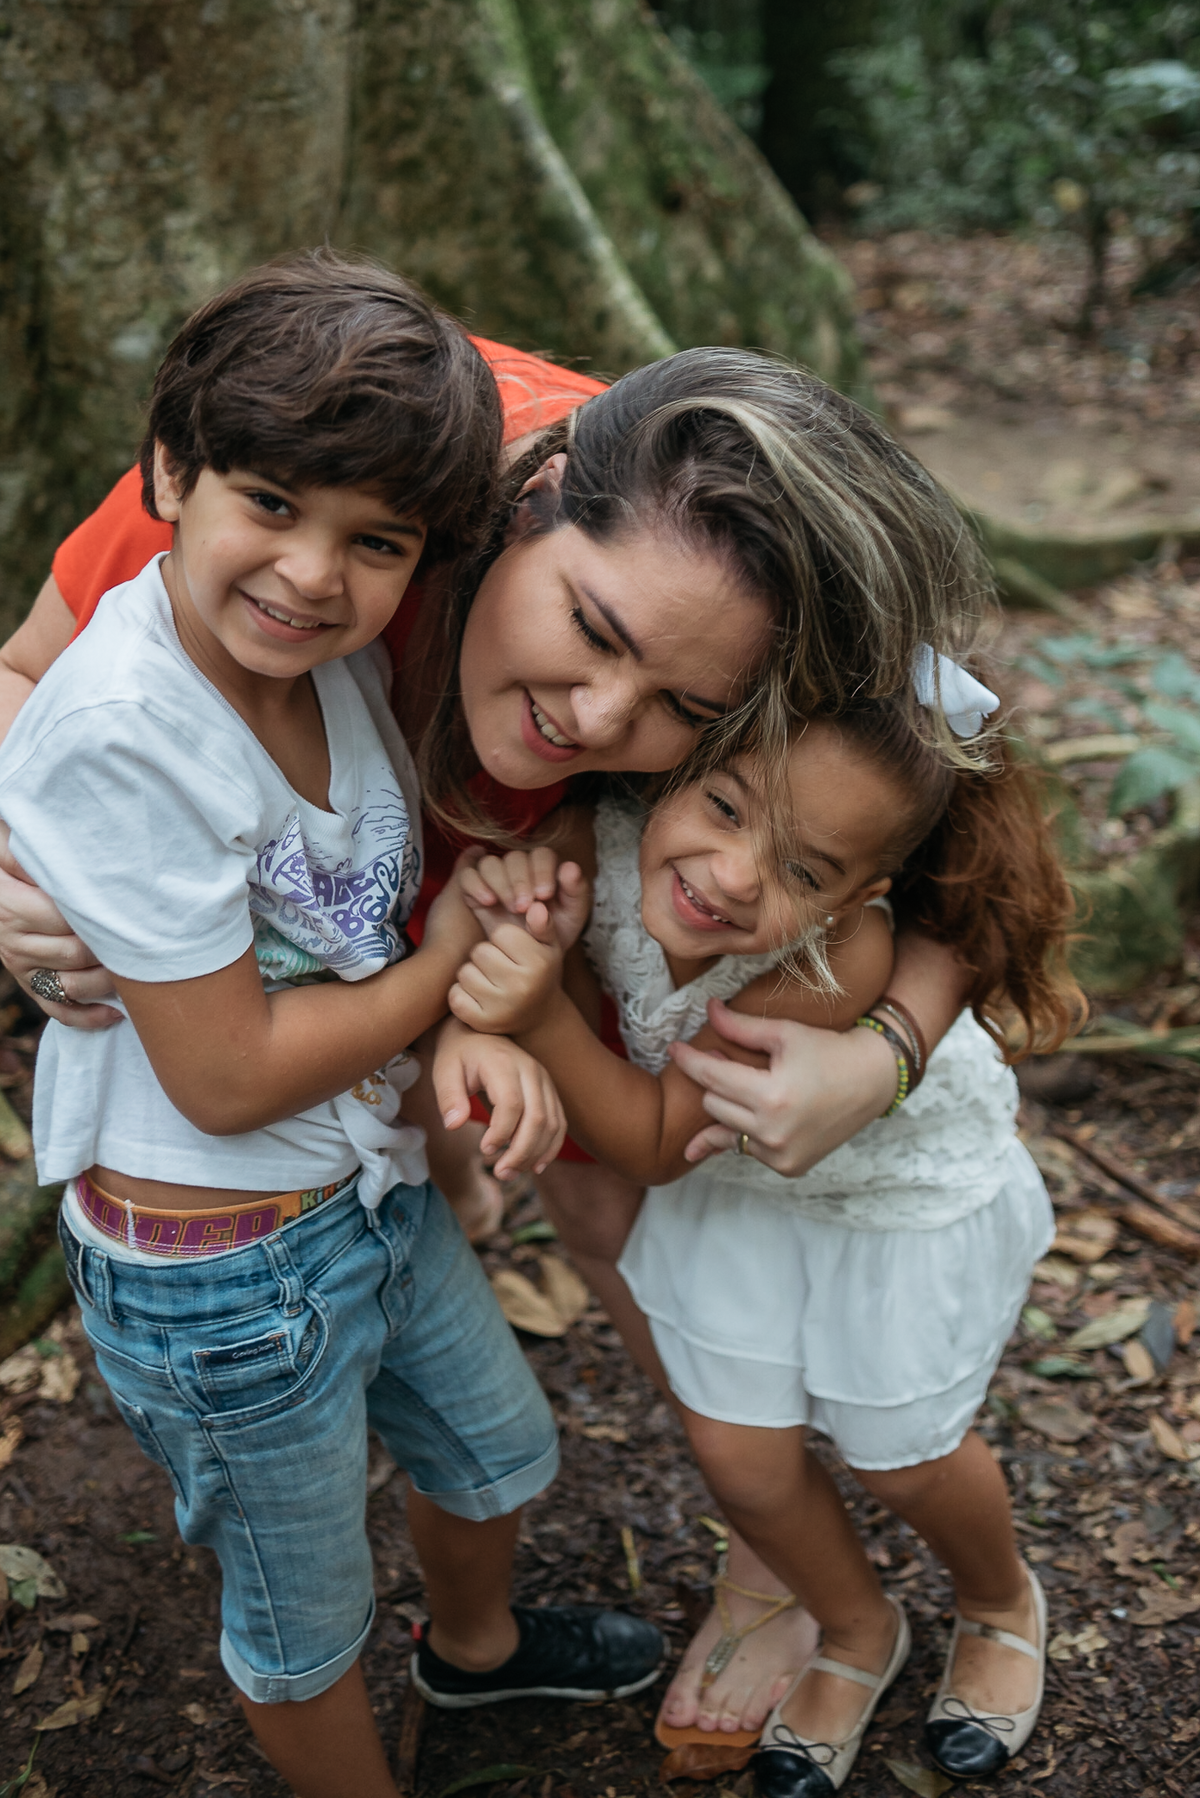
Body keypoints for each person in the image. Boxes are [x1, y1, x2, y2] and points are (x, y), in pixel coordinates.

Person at [0, 325, 989, 1732]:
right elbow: (30, 670)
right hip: (289, 991)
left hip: (519, 904)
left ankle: (769, 1551)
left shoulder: (768, 591)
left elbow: (969, 865)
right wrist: (12, 862)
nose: (594, 716)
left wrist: (885, 1046)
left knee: (597, 1179)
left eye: (684, 712)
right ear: (522, 502)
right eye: (592, 629)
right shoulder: (332, 471)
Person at [0, 255, 665, 1798]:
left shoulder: (336, 659)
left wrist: (493, 954)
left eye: (374, 541)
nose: (312, 572)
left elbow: (397, 875)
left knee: (504, 1454)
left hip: (363, 1188)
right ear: (167, 472)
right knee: (303, 1625)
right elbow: (226, 1077)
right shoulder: (127, 728)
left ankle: (477, 1659)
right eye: (273, 508)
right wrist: (450, 964)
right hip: (223, 1267)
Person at [441, 661, 1082, 1792]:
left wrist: (535, 1007)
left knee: (909, 1456)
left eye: (802, 867)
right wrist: (516, 906)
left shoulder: (842, 958)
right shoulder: (610, 827)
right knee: (738, 1457)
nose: (732, 877)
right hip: (739, 1191)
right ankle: (854, 1626)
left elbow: (647, 1138)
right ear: (685, 769)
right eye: (726, 807)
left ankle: (996, 1597)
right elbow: (506, 898)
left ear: (857, 893)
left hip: (885, 1203)